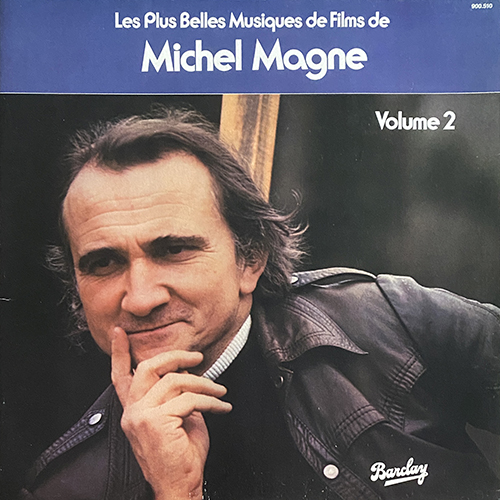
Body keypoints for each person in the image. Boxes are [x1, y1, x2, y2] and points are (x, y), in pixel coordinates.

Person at [21, 108, 500, 500]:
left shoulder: (390, 321)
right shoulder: (67, 488)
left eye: (174, 250)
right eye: (103, 263)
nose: (141, 298)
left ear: (250, 259)